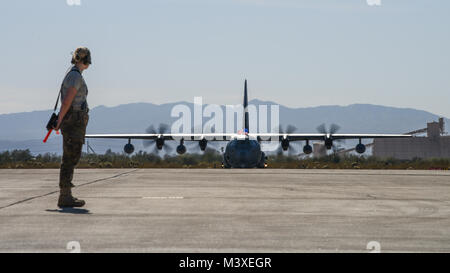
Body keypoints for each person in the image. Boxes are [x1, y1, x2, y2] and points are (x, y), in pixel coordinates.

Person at [54, 46, 91, 208]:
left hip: (74, 119)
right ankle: (65, 196)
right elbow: (67, 101)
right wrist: (59, 120)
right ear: (85, 60)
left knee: (71, 156)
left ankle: (66, 194)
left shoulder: (73, 74)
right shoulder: (75, 77)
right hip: (74, 120)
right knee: (70, 157)